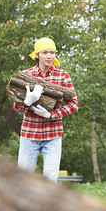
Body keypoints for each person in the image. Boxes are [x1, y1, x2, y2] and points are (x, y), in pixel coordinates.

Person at [13, 37, 79, 182]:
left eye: (52, 52)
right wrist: (26, 101)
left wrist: (51, 114)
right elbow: (16, 106)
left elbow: (74, 104)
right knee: (23, 179)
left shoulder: (63, 75)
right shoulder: (27, 75)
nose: (49, 56)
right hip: (29, 134)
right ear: (37, 55)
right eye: (45, 52)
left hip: (53, 135)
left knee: (51, 180)